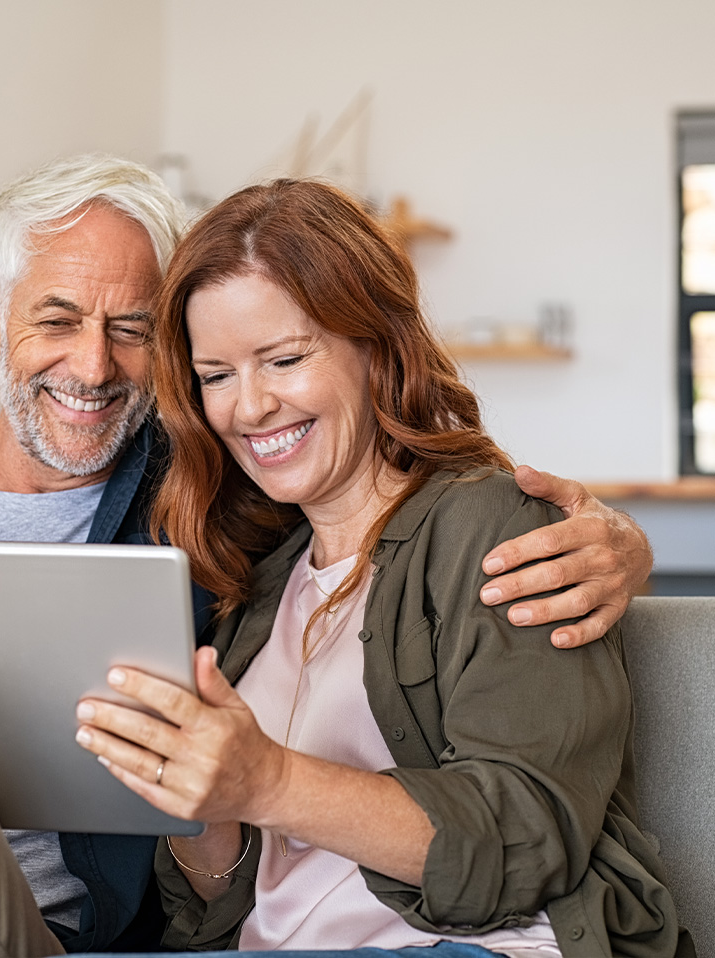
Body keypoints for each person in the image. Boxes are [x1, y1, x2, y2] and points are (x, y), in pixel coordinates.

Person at [0, 156, 653, 958]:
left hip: (42, 934)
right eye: (55, 318)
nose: (93, 367)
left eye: (131, 329)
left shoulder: (221, 505)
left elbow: (410, 512)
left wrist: (618, 545)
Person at [73, 179, 691, 957]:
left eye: (285, 358)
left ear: (374, 346)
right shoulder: (263, 575)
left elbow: (529, 838)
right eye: (217, 375)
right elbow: (212, 911)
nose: (250, 406)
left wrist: (267, 780)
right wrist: (205, 801)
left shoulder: (492, 525)